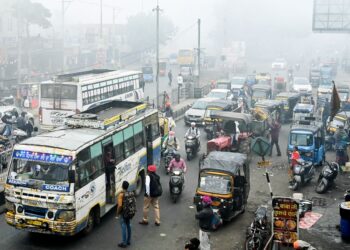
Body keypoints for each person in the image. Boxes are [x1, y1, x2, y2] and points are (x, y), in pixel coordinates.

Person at [116, 181, 134, 248]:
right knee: (128, 225)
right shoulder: (130, 192)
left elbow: (120, 206)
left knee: (123, 226)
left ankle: (124, 242)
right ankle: (128, 240)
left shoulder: (121, 194)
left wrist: (117, 213)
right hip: (130, 212)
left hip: (124, 213)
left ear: (122, 186)